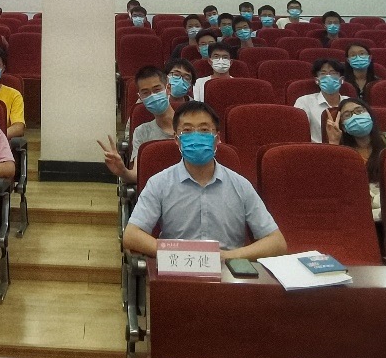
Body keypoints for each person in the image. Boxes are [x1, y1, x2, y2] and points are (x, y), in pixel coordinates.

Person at [122, 101, 287, 260]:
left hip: (229, 270)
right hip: (177, 268)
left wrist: (227, 256)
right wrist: (179, 253)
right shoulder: (159, 183)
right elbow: (131, 235)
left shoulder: (241, 185)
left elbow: (276, 242)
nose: (196, 137)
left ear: (217, 139)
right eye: (187, 130)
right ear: (177, 140)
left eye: (204, 130)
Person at [324, 97, 386, 221]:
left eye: (359, 111)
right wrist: (334, 142)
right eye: (347, 115)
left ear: (369, 115)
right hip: (359, 209)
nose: (356, 117)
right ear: (343, 127)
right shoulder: (342, 151)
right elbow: (332, 182)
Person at [99, 66, 176, 184]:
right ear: (140, 97)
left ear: (168, 89)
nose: (152, 96)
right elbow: (137, 176)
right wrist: (122, 171)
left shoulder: (191, 125)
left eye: (157, 90)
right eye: (146, 93)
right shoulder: (141, 132)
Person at [293, 58, 349, 142]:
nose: (328, 77)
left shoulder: (350, 102)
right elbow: (298, 132)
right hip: (316, 148)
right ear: (317, 80)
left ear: (341, 79)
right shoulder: (304, 102)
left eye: (333, 73)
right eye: (323, 73)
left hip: (348, 148)